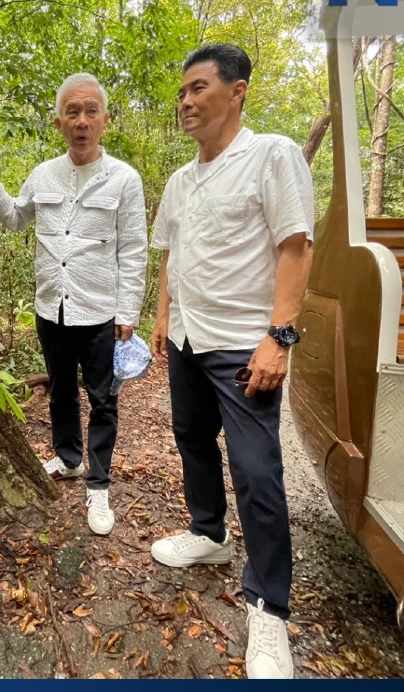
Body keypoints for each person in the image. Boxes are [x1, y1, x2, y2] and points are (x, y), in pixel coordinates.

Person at [148, 42, 314, 680]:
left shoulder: (271, 155)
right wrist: (162, 316)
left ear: (237, 91)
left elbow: (295, 247)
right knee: (191, 437)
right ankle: (209, 534)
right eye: (182, 92)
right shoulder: (179, 180)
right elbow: (170, 254)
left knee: (256, 469)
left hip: (244, 345)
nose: (185, 101)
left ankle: (269, 608)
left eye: (198, 88)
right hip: (188, 338)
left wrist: (280, 337)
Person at [0, 72, 148, 536]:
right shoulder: (44, 174)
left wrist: (128, 311)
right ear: (59, 122)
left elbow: (133, 249)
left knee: (103, 400)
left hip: (101, 312)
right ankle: (69, 459)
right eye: (72, 112)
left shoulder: (124, 179)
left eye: (90, 112)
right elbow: (13, 218)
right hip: (52, 309)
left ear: (104, 120)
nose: (82, 121)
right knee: (61, 390)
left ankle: (98, 485)